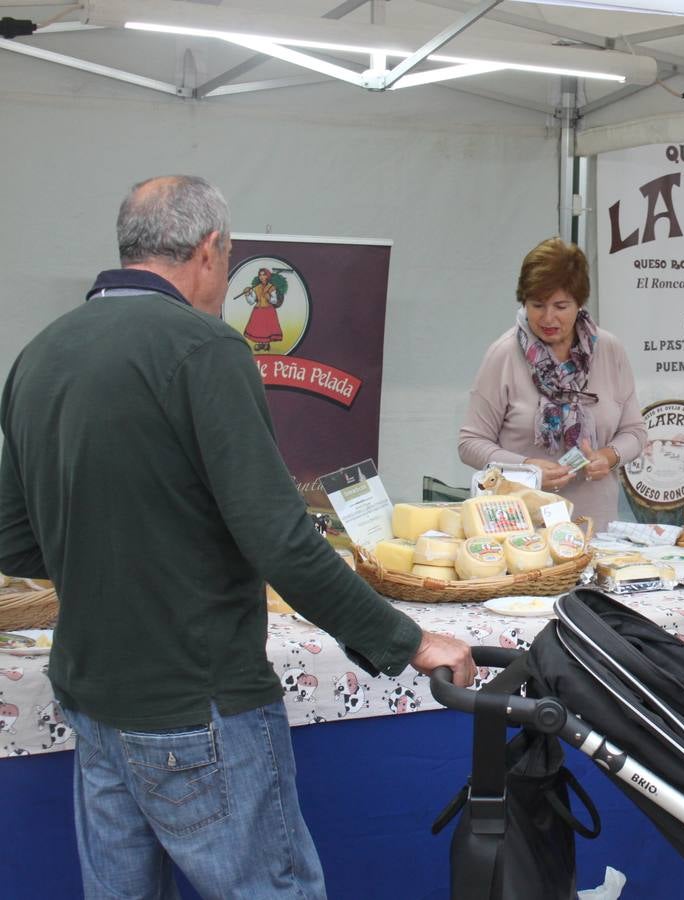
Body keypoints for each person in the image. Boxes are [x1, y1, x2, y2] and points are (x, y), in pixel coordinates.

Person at [0, 175, 475, 899]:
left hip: (94, 697)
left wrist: (122, 549)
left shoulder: (39, 354)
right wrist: (408, 640)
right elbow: (279, 538)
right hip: (198, 701)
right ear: (211, 251)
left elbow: (11, 537)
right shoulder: (204, 348)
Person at [458, 237, 646, 524]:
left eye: (561, 306)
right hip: (521, 530)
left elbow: (635, 432)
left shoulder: (610, 350)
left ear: (580, 303)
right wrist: (526, 469)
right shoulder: (504, 355)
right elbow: (470, 443)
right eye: (537, 305)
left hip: (596, 530)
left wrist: (609, 456)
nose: (548, 317)